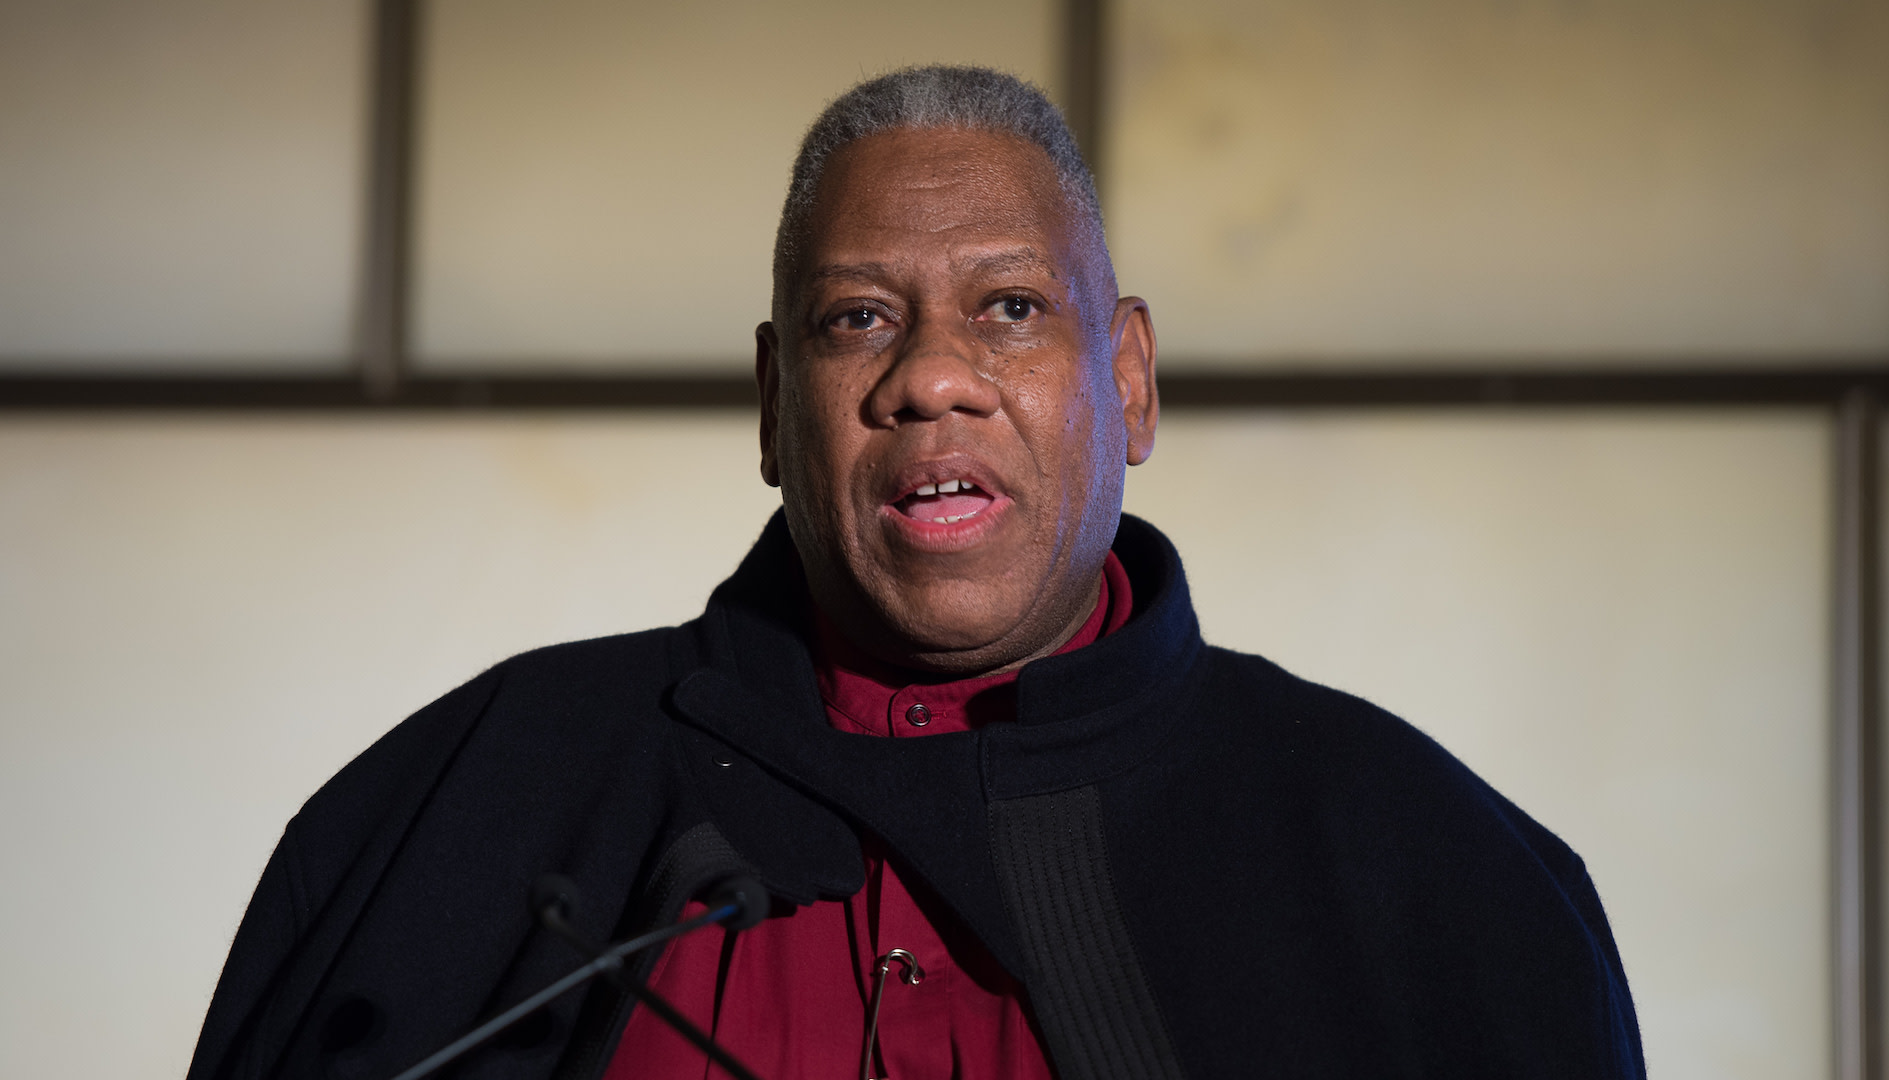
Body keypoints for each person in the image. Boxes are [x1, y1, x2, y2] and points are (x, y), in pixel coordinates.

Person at [187, 66, 1643, 1080]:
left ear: (1128, 379)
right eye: (855, 321)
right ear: (773, 404)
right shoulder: (452, 817)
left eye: (1010, 309)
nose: (932, 375)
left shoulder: (1431, 872)